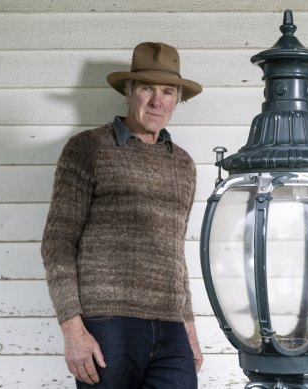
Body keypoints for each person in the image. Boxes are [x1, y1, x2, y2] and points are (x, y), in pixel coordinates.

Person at [41, 41, 204, 388]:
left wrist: (189, 328)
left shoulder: (184, 164)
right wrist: (72, 330)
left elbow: (175, 253)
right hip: (108, 324)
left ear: (177, 100)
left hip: (171, 327)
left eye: (167, 92)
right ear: (129, 92)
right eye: (147, 88)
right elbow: (57, 245)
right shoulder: (89, 148)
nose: (157, 101)